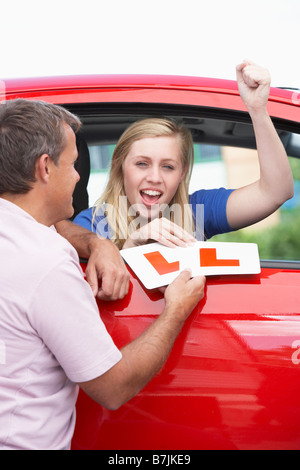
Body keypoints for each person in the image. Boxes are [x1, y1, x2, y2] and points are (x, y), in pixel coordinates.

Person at [0, 99, 205, 450]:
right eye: (74, 164)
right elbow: (112, 389)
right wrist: (176, 309)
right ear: (46, 168)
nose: (79, 178)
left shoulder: (19, 234)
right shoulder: (45, 263)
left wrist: (100, 245)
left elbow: (61, 230)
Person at [74, 61, 294, 249]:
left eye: (168, 167)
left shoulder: (196, 211)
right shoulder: (93, 223)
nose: (155, 177)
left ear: (182, 173)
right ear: (119, 166)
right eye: (142, 164)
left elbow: (275, 192)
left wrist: (257, 109)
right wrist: (131, 245)